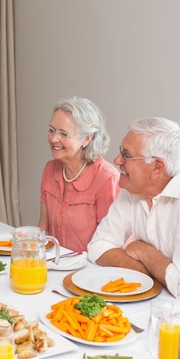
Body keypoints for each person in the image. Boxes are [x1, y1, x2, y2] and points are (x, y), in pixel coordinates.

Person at [87, 117, 180, 302]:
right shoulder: (134, 187)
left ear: (157, 167)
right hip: (153, 301)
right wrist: (148, 271)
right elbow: (97, 247)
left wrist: (144, 252)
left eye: (126, 155)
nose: (117, 160)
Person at [38, 96, 120, 253]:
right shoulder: (50, 169)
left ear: (87, 139)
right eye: (51, 130)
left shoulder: (107, 179)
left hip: (91, 271)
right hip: (55, 265)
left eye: (64, 134)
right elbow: (43, 229)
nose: (54, 139)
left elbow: (111, 246)